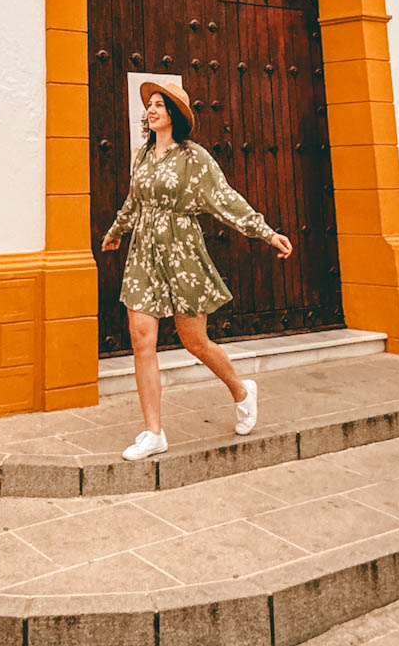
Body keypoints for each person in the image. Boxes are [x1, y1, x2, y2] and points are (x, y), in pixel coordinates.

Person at [100, 81, 294, 461]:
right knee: (142, 339)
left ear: (174, 114)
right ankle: (153, 432)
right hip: (143, 253)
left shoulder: (195, 157)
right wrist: (116, 232)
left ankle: (241, 390)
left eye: (159, 105)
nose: (151, 110)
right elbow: (133, 202)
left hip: (182, 251)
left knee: (194, 340)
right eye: (150, 105)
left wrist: (267, 233)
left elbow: (225, 200)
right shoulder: (142, 156)